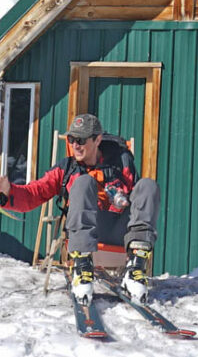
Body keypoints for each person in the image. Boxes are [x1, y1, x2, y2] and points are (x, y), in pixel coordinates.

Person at [0, 113, 160, 305]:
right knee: (83, 182)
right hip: (83, 235)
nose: (75, 145)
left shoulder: (122, 163)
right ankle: (82, 269)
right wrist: (7, 193)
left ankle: (135, 269)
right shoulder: (66, 169)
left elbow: (140, 201)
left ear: (98, 139)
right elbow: (34, 194)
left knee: (148, 186)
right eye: (72, 139)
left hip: (120, 232)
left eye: (81, 140)